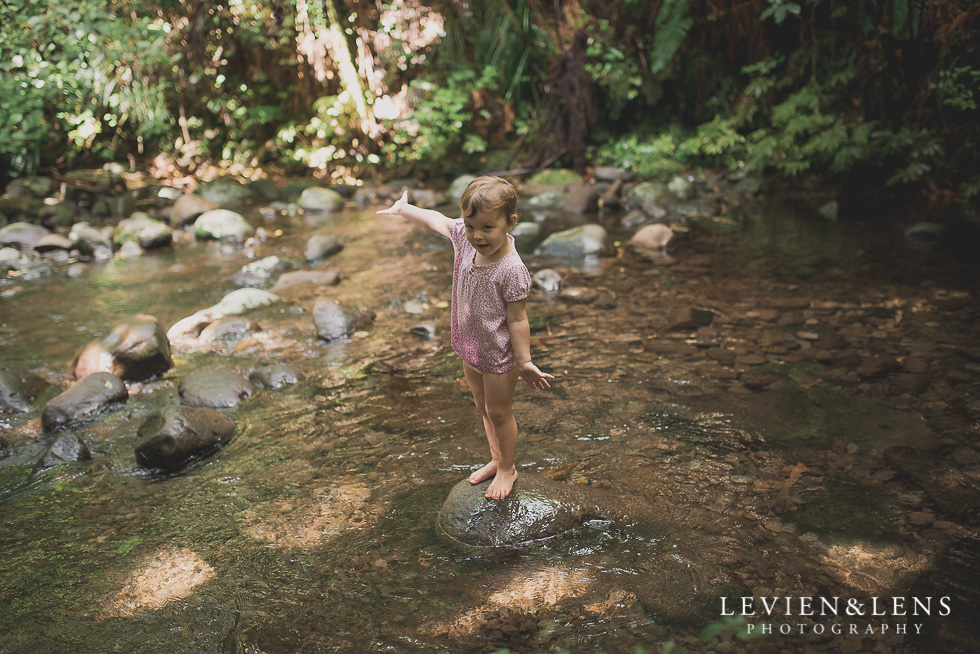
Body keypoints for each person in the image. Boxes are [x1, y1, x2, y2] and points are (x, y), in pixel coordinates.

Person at [377, 176, 555, 499]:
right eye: (472, 226)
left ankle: (507, 469)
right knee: (482, 405)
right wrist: (405, 210)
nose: (477, 235)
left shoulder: (511, 269)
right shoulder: (463, 236)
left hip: (499, 355)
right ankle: (496, 458)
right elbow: (438, 220)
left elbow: (518, 319)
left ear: (509, 222)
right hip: (470, 345)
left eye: (487, 228)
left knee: (500, 411)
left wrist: (525, 361)